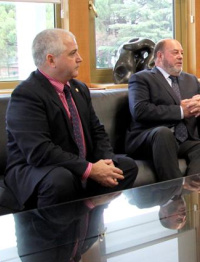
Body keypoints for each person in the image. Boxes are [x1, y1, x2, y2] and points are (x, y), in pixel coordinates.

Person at [5, 29, 138, 209]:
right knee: (60, 179)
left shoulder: (79, 89)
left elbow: (97, 130)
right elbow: (39, 151)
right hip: (38, 168)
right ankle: (64, 230)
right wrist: (89, 169)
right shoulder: (26, 94)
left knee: (124, 167)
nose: (80, 58)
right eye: (73, 53)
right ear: (51, 60)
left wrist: (106, 162)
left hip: (76, 164)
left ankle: (88, 215)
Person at [126, 38, 200, 182]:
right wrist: (181, 111)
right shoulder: (142, 78)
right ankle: (175, 193)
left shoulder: (189, 79)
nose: (180, 56)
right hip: (150, 139)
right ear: (160, 56)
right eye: (175, 53)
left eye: (182, 53)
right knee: (163, 133)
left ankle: (191, 192)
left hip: (181, 140)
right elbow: (139, 110)